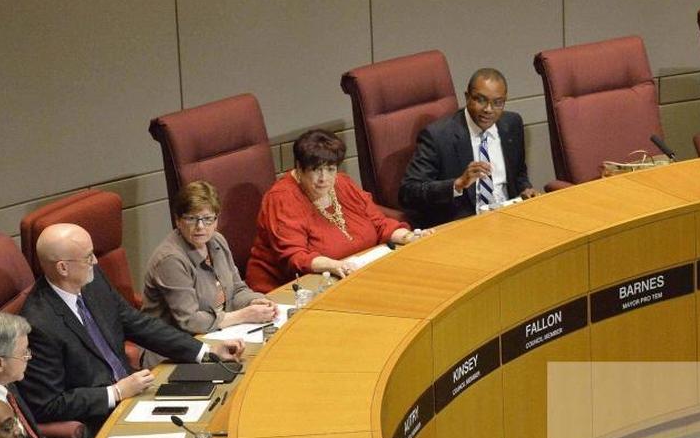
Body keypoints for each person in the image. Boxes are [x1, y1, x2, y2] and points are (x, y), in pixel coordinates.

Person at [19, 223, 243, 434]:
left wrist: (205, 352)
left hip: (135, 394)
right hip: (99, 419)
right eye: (88, 257)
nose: (96, 261)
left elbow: (137, 323)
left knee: (214, 414)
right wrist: (115, 392)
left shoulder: (92, 281)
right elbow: (47, 404)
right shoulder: (39, 323)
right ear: (63, 268)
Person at [246, 129, 428, 290]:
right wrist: (334, 266)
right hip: (289, 290)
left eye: (330, 169)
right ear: (299, 168)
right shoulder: (282, 199)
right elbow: (296, 257)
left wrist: (409, 237)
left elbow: (380, 224)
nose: (323, 178)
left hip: (350, 278)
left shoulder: (343, 183)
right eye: (316, 170)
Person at [400, 68, 536, 227]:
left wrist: (525, 189)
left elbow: (519, 173)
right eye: (481, 100)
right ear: (467, 97)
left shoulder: (511, 124)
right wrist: (457, 184)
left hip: (510, 219)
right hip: (465, 225)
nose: (488, 109)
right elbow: (408, 192)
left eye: (497, 103)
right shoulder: (438, 136)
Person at [142, 180, 277, 334]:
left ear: (216, 221)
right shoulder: (170, 260)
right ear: (178, 221)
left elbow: (237, 289)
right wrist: (243, 315)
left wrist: (254, 301)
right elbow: (189, 321)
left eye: (207, 219)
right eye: (191, 219)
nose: (200, 226)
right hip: (171, 347)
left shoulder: (217, 241)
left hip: (217, 333)